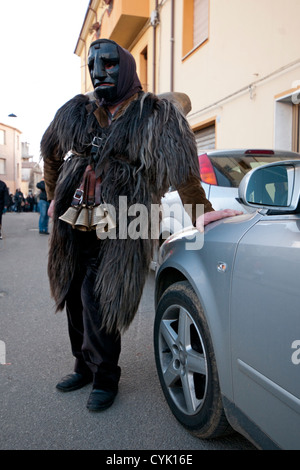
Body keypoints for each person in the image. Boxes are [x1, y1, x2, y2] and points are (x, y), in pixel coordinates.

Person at [40, 38, 241, 412]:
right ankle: (82, 366)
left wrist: (201, 212)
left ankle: (105, 377)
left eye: (110, 64)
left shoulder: (156, 114)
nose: (99, 73)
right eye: (93, 66)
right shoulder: (77, 111)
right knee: (73, 295)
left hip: (125, 223)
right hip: (74, 221)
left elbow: (182, 170)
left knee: (100, 299)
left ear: (128, 67)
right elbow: (50, 151)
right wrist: (54, 197)